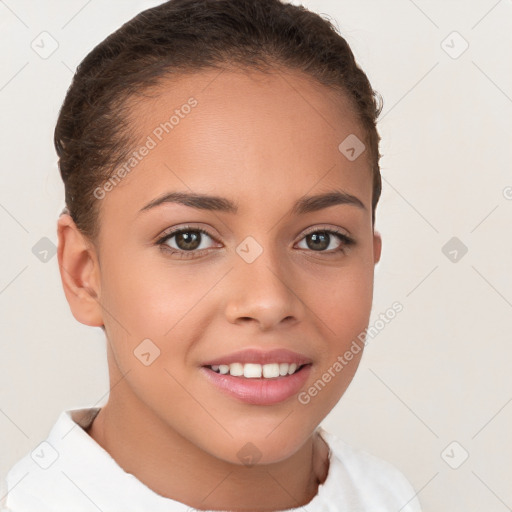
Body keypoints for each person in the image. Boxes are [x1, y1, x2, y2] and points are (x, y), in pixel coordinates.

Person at [1, 0, 422, 510]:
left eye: (320, 239)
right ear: (83, 274)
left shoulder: (387, 496)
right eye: (189, 239)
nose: (267, 301)